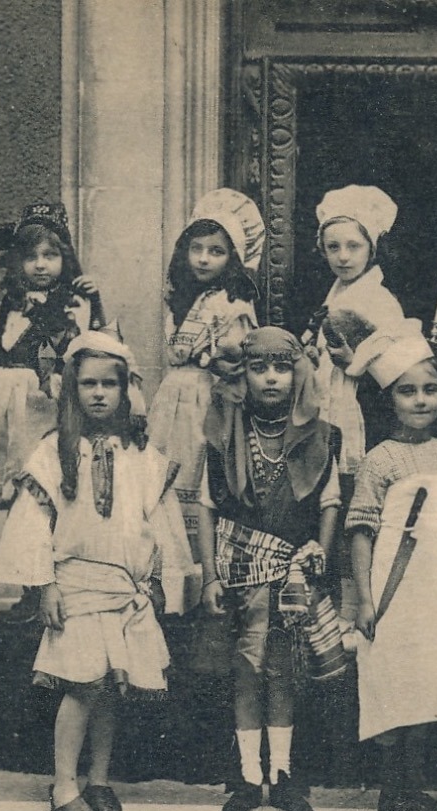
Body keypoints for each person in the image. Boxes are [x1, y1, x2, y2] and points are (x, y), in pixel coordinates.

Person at [0, 331, 191, 811]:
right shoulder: (54, 451)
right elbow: (33, 522)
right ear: (72, 389)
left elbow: (158, 518)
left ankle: (98, 779)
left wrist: (160, 576)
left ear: (127, 390)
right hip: (76, 581)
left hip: (124, 585)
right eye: (88, 384)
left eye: (110, 383)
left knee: (110, 686)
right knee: (82, 684)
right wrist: (45, 585)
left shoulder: (141, 455)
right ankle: (64, 786)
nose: (99, 393)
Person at [198, 327, 343, 811]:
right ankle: (244, 778)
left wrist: (318, 557)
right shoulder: (223, 434)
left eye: (282, 367)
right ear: (245, 375)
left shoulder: (324, 436)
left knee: (283, 672)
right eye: (259, 368)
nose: (272, 378)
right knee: (245, 672)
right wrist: (211, 577)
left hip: (292, 574)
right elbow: (206, 506)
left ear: (298, 372)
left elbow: (329, 503)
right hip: (240, 570)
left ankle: (280, 776)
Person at [347, 322, 437, 811]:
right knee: (394, 683)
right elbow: (359, 531)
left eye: (430, 390)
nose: (421, 400)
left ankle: (416, 785)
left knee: (429, 684)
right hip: (394, 587)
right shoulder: (381, 459)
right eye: (408, 391)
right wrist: (363, 598)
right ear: (390, 400)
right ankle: (391, 793)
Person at [0, 203, 105, 623]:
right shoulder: (9, 304)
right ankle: (28, 591)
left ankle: (56, 587)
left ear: (65, 258)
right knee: (19, 500)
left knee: (48, 495)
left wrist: (95, 304)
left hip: (48, 409)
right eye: (31, 257)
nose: (40, 265)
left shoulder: (75, 304)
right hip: (9, 411)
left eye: (50, 255)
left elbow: (91, 355)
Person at [148, 189, 265, 563]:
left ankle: (203, 577)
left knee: (201, 481)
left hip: (209, 399)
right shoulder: (181, 298)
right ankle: (169, 573)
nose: (203, 258)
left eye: (216, 251)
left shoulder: (233, 303)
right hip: (173, 400)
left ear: (232, 258)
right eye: (196, 248)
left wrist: (220, 361)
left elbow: (242, 359)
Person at [303, 185, 408, 481]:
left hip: (365, 407)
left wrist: (355, 361)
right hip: (325, 405)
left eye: (354, 246)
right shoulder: (333, 296)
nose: (343, 257)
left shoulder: (380, 300)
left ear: (371, 248)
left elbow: (399, 370)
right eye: (333, 247)